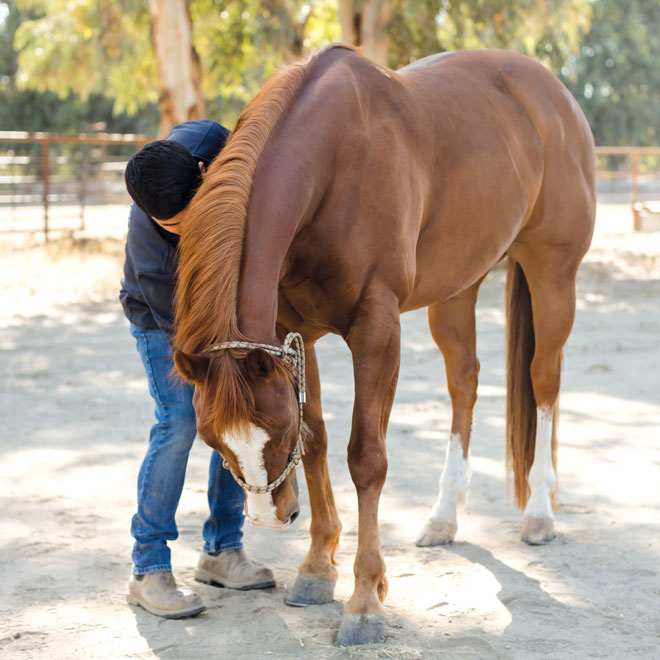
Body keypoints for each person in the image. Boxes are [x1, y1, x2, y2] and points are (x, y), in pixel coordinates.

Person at [119, 119, 274, 619]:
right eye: (172, 228)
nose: (182, 230)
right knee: (182, 420)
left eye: (189, 218)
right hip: (166, 323)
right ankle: (148, 568)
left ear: (206, 173)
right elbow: (187, 339)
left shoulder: (212, 143)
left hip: (224, 309)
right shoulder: (152, 252)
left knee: (236, 413)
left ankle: (222, 550)